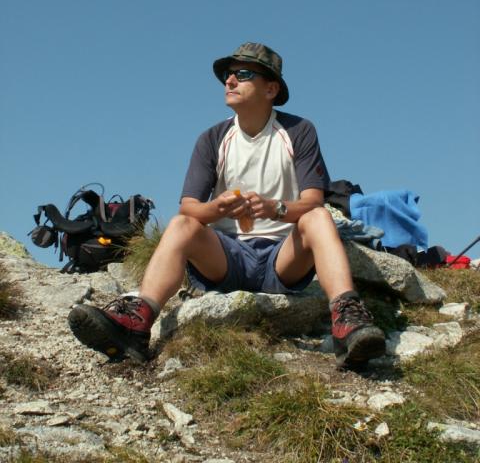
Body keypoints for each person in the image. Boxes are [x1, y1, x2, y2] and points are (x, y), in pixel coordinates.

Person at [69, 42, 386, 368]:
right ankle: (137, 322)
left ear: (271, 89)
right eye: (228, 76)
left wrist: (274, 208)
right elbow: (189, 208)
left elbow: (313, 200)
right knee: (181, 224)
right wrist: (217, 209)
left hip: (282, 257)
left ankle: (347, 321)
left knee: (318, 217)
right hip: (226, 257)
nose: (230, 81)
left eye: (243, 74)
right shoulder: (212, 138)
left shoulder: (298, 131)